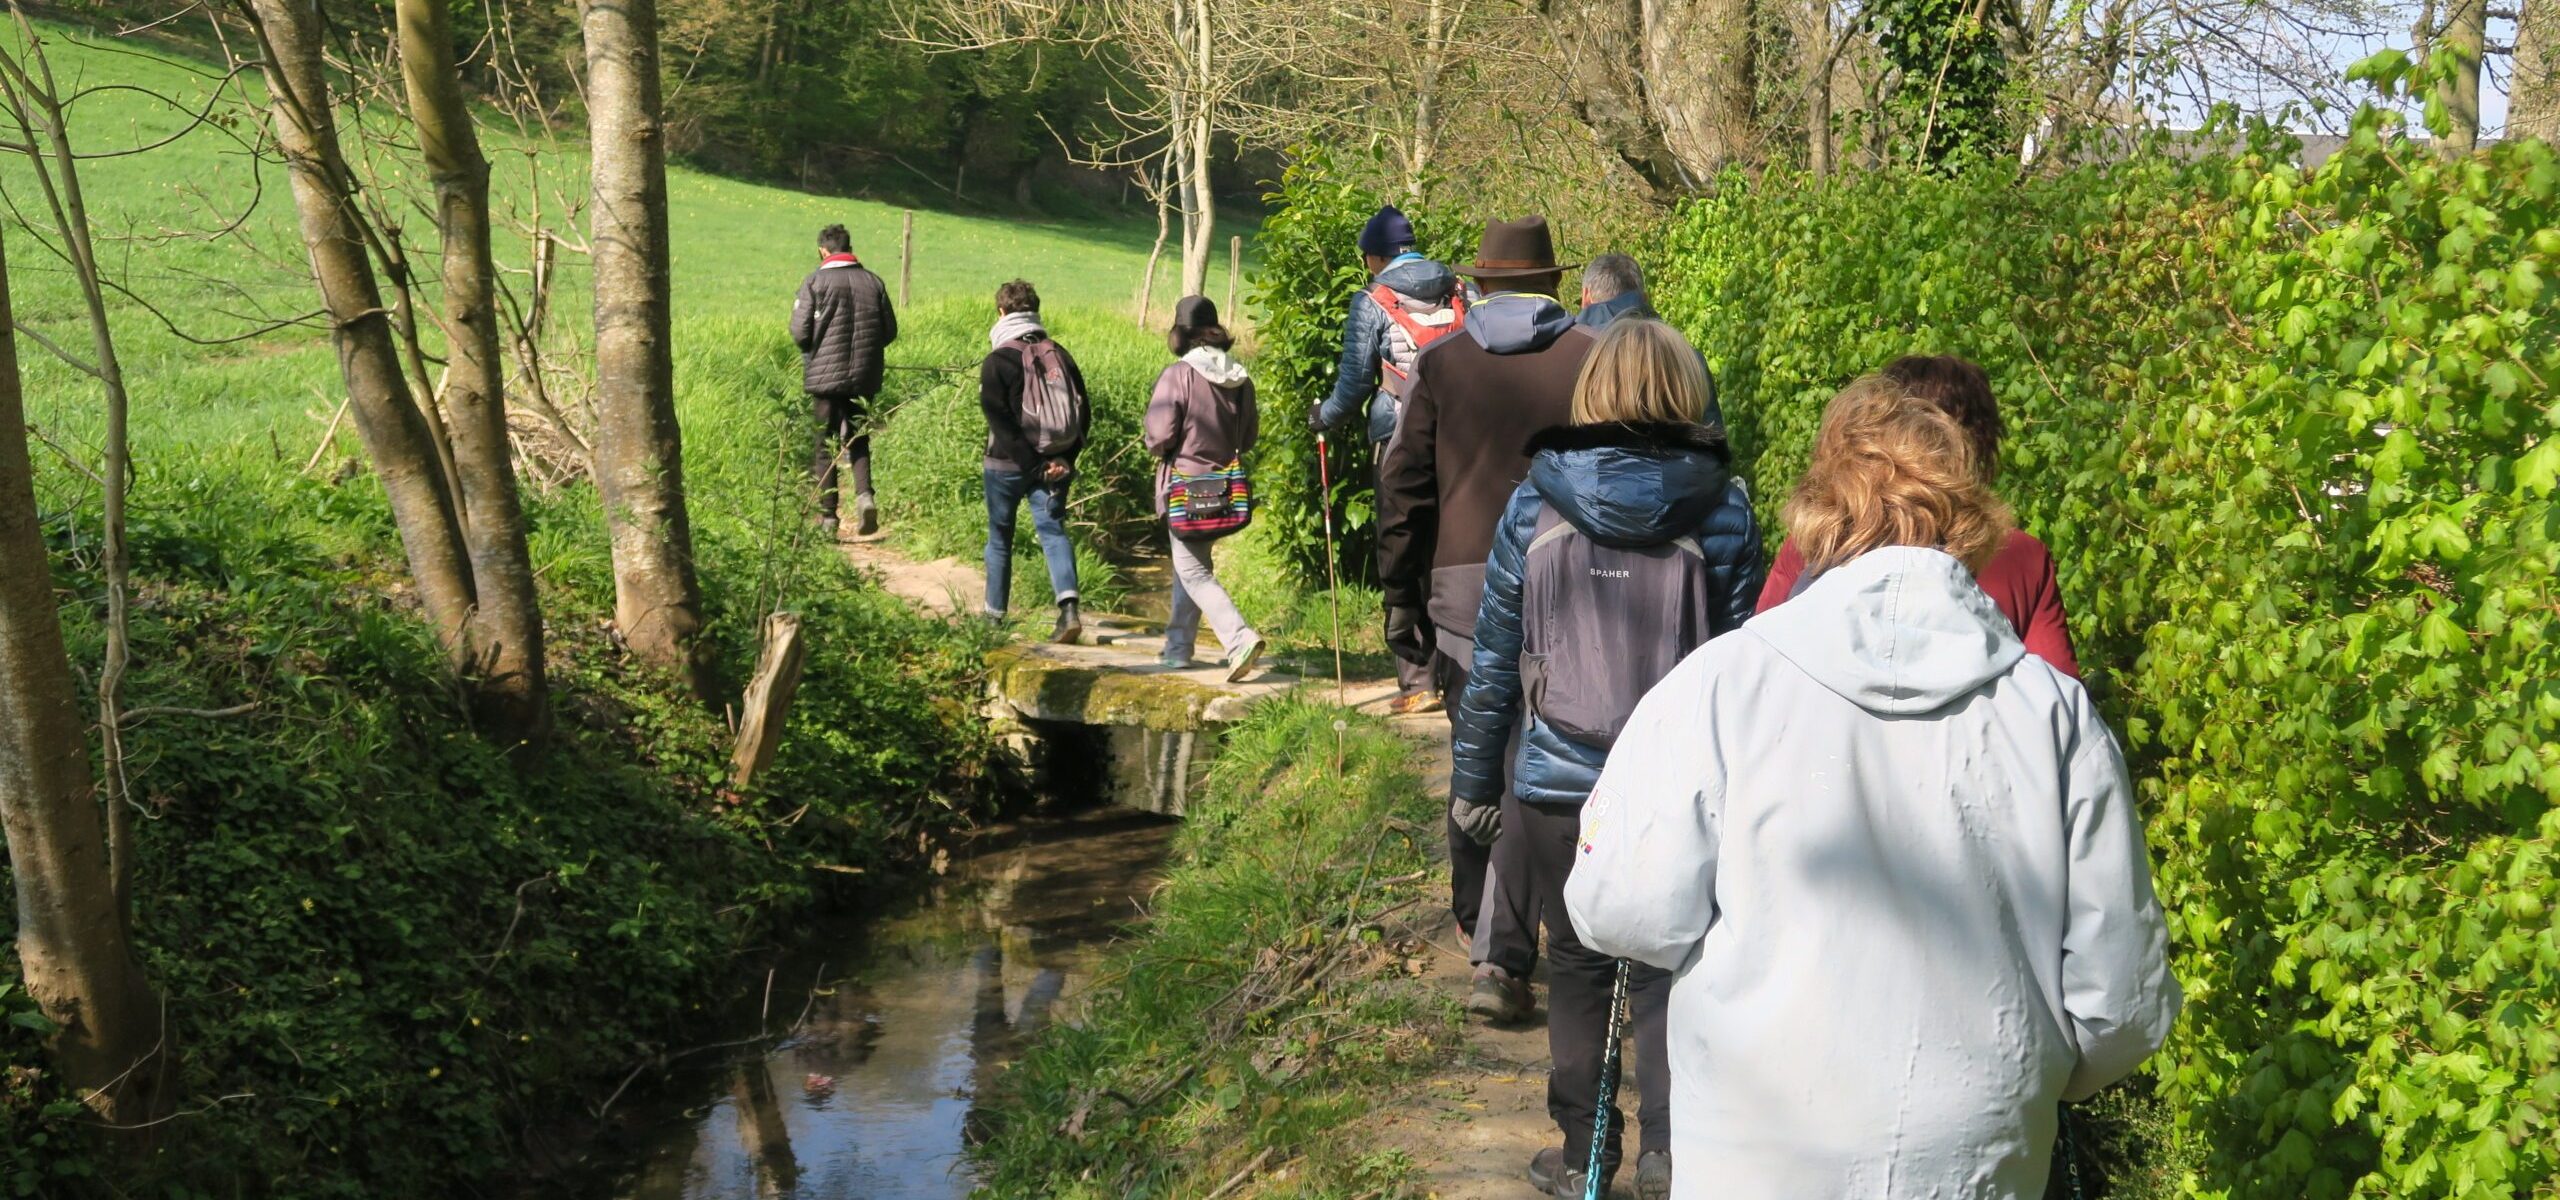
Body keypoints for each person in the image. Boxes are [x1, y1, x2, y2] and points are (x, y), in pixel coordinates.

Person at [1563, 375, 2180, 1198]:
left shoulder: (1720, 686)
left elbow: (1621, 908)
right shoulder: (2052, 715)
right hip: (1978, 1157)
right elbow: (2122, 998)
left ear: (1819, 515)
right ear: (1969, 523)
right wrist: (2023, 1074)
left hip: (1760, 1144)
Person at [1447, 318, 1759, 1200]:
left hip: (1556, 784)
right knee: (1672, 970)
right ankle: (1669, 1152)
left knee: (1579, 968)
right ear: (1685, 395)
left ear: (1591, 396)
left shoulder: (1533, 503)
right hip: (1682, 791)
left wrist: (1474, 790)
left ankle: (1585, 1155)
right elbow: (1743, 666)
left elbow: (1496, 667)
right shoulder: (1726, 509)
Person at [1378, 215, 1597, 1023]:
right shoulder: (1591, 358)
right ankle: (1529, 942)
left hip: (1465, 588)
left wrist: (1401, 598)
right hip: (1572, 582)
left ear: (1479, 283)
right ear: (1550, 283)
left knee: (1482, 755)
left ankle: (1490, 940)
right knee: (1539, 761)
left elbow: (1402, 493)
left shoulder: (1439, 364)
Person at [1757, 353, 2080, 677]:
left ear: (1873, 437)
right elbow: (2059, 688)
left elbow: (1760, 657)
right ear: (1979, 449)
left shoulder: (1819, 538)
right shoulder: (2021, 558)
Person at [1309, 205, 1466, 715]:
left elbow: (1354, 385)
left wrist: (1322, 418)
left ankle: (1418, 678)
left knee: (1401, 546)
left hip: (1398, 440)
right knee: (1452, 548)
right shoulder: (1462, 290)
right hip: (1461, 441)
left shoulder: (1372, 300)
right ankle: (1460, 673)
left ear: (1375, 256)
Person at [1144, 296, 1266, 682]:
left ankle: (1239, 639)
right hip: (1226, 489)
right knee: (1192, 566)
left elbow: (1159, 436)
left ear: (1181, 334)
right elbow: (1247, 439)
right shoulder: (1241, 378)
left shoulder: (1177, 375)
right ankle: (1178, 647)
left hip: (1185, 488)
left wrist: (1165, 447)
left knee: (1194, 572)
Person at [977, 280, 1089, 643]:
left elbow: (1001, 424)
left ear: (1001, 313)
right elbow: (1082, 413)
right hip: (1054, 465)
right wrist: (1062, 460)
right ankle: (1069, 611)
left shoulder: (997, 361)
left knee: (999, 538)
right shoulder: (1061, 354)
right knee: (1054, 532)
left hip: (1006, 467)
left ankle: (994, 621)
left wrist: (1031, 466)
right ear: (1035, 311)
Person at [790, 224, 897, 537]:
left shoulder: (814, 281)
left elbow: (799, 332)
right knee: (859, 436)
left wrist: (815, 348)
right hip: (865, 376)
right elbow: (889, 331)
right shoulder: (873, 282)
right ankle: (865, 496)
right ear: (849, 247)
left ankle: (828, 518)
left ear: (824, 250)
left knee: (824, 445)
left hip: (823, 378)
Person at [1575, 254, 1722, 428]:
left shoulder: (1574, 356)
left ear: (1586, 296)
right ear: (1645, 298)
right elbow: (1712, 436)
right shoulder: (1688, 357)